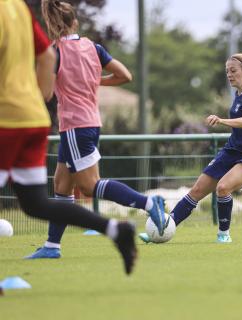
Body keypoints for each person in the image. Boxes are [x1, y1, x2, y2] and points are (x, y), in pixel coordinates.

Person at [0, 0, 136, 274]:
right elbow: (47, 59)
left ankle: (145, 204)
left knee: (87, 185)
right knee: (41, 200)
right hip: (34, 117)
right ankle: (112, 229)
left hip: (14, 119)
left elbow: (51, 62)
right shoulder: (17, 8)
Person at [25, 0, 166, 260]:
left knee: (89, 187)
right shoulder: (93, 47)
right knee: (62, 184)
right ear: (74, 22)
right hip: (89, 122)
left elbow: (44, 94)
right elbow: (125, 75)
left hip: (75, 125)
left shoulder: (55, 52)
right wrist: (95, 80)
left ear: (51, 25)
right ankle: (52, 246)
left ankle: (149, 203)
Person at [139, 53, 242, 243]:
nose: (229, 74)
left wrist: (221, 120)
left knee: (223, 188)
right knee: (197, 190)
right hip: (232, 150)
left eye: (233, 71)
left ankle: (223, 234)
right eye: (227, 71)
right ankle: (163, 229)